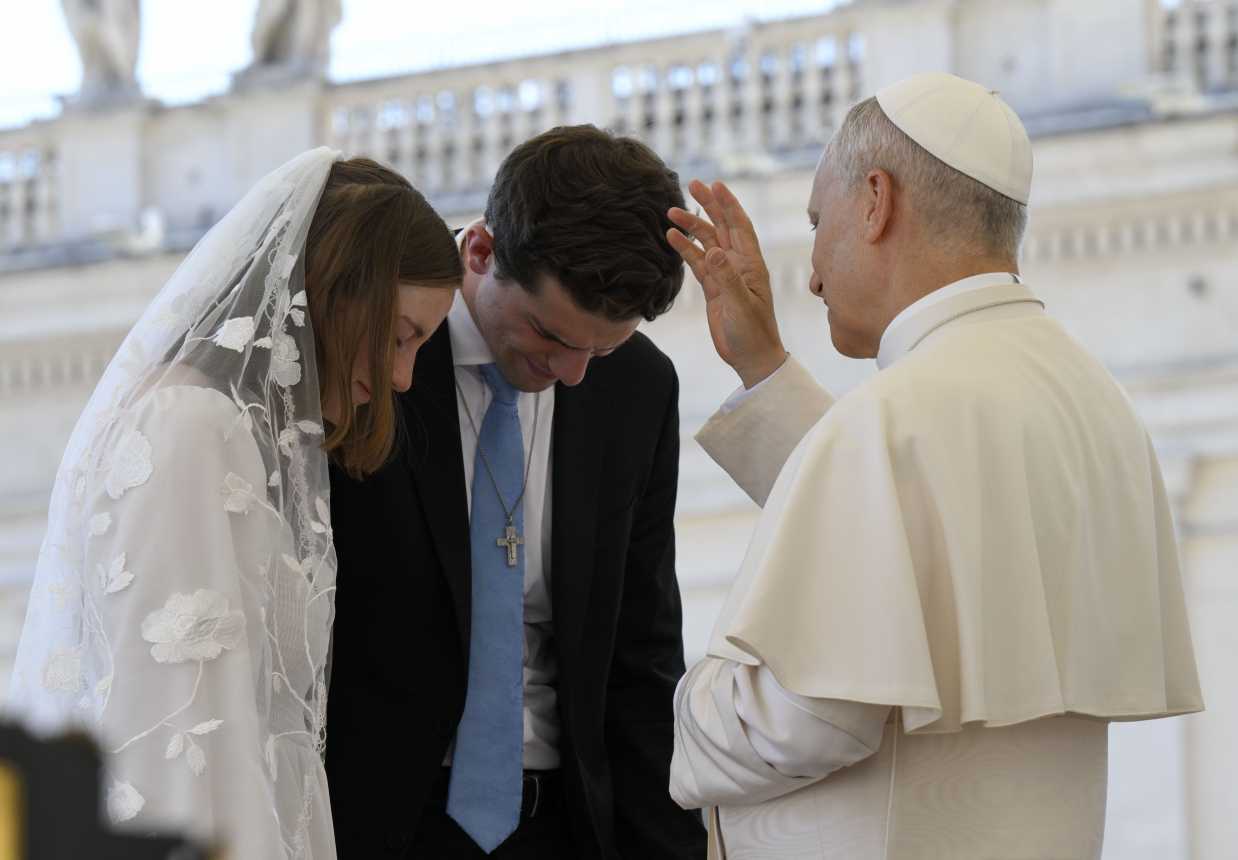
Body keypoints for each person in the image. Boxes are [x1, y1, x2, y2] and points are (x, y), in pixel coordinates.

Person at [664, 72, 1205, 859]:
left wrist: (687, 702)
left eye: (817, 222)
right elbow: (899, 542)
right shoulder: (1098, 404)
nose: (810, 275)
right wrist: (765, 368)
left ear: (876, 202)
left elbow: (803, 716)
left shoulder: (896, 415)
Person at [7, 149, 462, 860]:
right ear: (333, 292)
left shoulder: (228, 433)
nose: (404, 376)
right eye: (400, 337)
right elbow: (180, 729)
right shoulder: (193, 428)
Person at [325, 125, 707, 859]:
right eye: (551, 336)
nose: (573, 374)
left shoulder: (638, 387)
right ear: (480, 251)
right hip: (375, 821)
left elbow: (642, 651)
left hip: (564, 825)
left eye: (602, 347)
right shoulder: (375, 342)